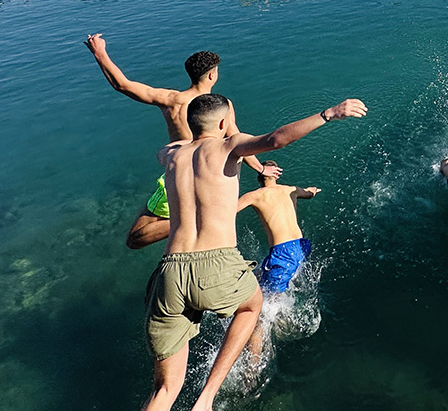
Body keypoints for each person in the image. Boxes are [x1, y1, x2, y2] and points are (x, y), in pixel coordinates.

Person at [141, 93, 366, 411]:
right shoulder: (226, 146)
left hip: (169, 270)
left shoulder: (171, 154)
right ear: (223, 123)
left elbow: (169, 147)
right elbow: (276, 140)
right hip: (213, 262)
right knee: (252, 305)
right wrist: (329, 113)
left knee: (164, 389)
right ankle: (205, 400)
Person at [83, 34, 272, 250]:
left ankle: (188, 220)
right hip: (211, 174)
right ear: (212, 76)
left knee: (135, 238)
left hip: (179, 171)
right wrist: (261, 169)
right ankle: (193, 220)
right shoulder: (221, 106)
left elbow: (123, 85)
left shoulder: (172, 101)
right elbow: (238, 141)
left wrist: (100, 53)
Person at [237, 160, 319, 294]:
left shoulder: (254, 196)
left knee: (270, 297)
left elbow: (228, 211)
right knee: (261, 276)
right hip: (302, 246)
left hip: (283, 252)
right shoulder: (292, 189)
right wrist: (313, 190)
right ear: (277, 175)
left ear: (259, 177)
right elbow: (309, 193)